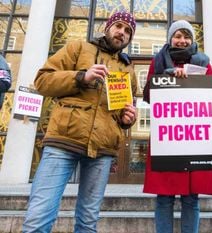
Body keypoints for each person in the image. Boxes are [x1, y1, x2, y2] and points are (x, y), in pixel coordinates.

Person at [22, 11, 138, 232]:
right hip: (62, 141)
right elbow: (43, 81)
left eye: (128, 31)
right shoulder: (78, 48)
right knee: (39, 218)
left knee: (88, 222)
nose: (121, 33)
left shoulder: (128, 70)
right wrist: (81, 77)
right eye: (119, 27)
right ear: (107, 27)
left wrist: (127, 120)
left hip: (102, 150)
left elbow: (125, 111)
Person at [142, 20, 212, 233]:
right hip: (167, 141)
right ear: (170, 38)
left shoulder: (203, 62)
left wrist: (192, 78)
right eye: (178, 36)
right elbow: (148, 95)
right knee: (163, 199)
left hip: (192, 142)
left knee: (191, 199)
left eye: (186, 36)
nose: (182, 40)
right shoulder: (157, 62)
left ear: (192, 40)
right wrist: (165, 78)